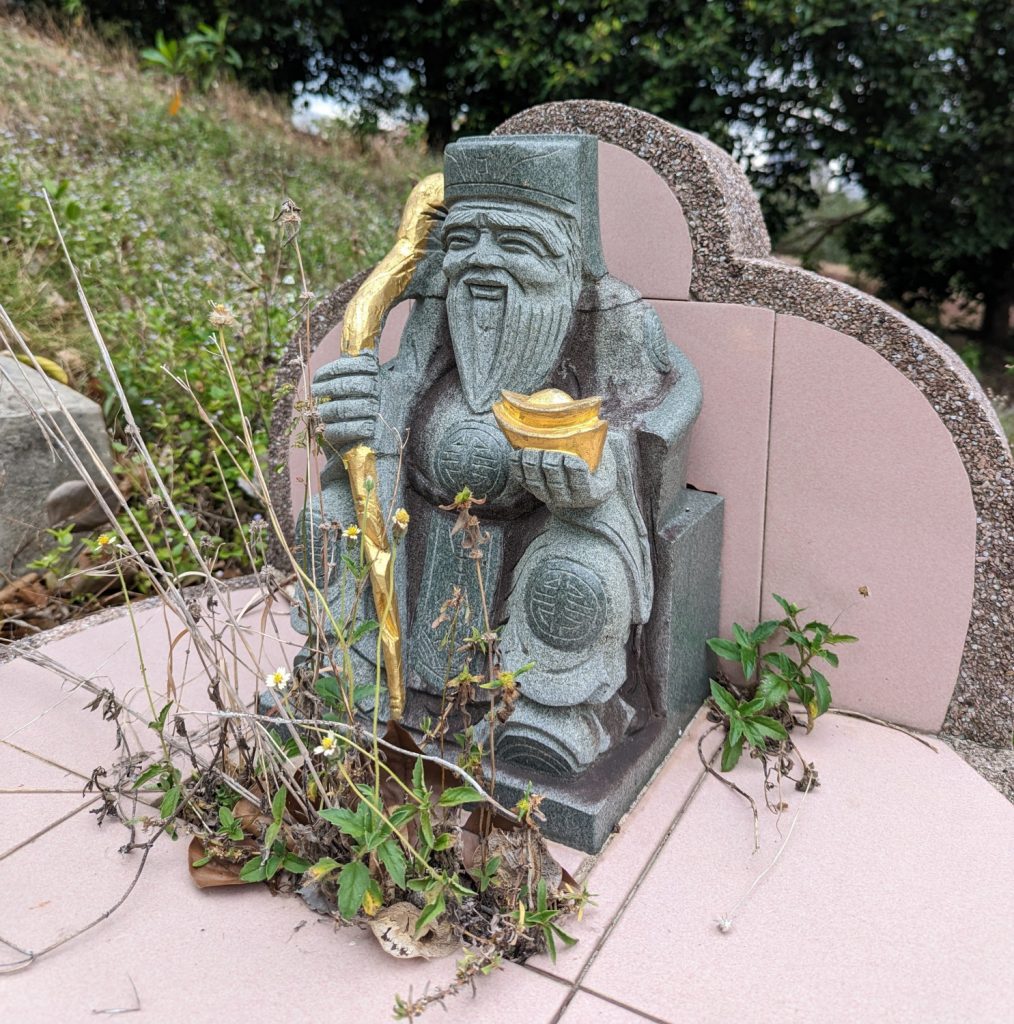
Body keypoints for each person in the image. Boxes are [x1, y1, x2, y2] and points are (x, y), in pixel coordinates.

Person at [300, 134, 702, 775]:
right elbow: (395, 395)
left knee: (580, 571)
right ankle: (358, 671)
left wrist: (599, 468)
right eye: (463, 242)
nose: (481, 261)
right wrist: (353, 418)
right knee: (331, 514)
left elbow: (666, 404)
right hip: (423, 538)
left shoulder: (612, 316)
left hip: (543, 534)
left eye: (515, 244)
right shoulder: (439, 311)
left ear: (570, 265)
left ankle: (548, 711)